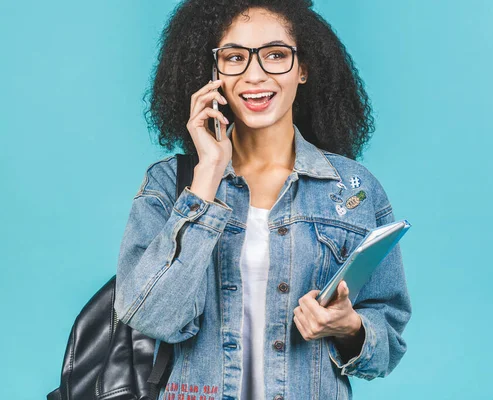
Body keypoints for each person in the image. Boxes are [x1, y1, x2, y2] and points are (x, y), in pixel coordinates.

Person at [114, 1, 412, 399]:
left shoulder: (354, 189)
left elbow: (387, 340)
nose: (255, 74)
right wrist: (207, 177)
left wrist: (350, 327)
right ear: (214, 72)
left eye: (275, 55)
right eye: (235, 57)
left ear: (303, 68)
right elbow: (152, 318)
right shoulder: (170, 183)